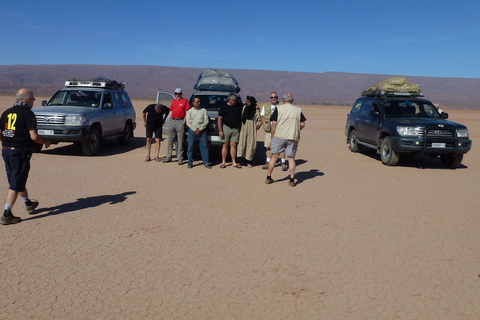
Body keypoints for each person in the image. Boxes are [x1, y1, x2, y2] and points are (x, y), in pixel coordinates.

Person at [0, 88, 51, 225]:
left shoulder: (6, 112)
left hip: (6, 151)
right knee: (16, 183)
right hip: (19, 152)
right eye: (33, 100)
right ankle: (7, 214)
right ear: (29, 100)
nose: (33, 102)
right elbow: (33, 136)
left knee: (17, 178)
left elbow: (0, 133)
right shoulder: (28, 114)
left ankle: (28, 204)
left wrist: (8, 141)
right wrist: (45, 142)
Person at [266, 93, 306, 187]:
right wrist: (296, 130)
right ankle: (292, 179)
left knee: (274, 157)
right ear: (292, 100)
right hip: (292, 137)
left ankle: (268, 177)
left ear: (283, 100)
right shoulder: (298, 110)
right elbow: (303, 124)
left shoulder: (278, 108)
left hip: (279, 136)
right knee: (291, 158)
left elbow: (274, 123)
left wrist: (273, 135)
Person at [261, 92, 287, 171]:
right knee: (268, 146)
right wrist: (265, 126)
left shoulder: (282, 106)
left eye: (275, 97)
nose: (273, 99)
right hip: (269, 129)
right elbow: (263, 116)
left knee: (281, 147)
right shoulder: (266, 106)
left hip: (280, 130)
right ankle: (268, 161)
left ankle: (283, 162)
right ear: (269, 98)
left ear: (277, 97)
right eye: (272, 97)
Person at [163, 88, 190, 165]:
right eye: (176, 94)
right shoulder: (174, 101)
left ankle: (180, 158)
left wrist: (184, 121)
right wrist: (171, 119)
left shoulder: (185, 101)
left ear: (181, 94)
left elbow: (187, 112)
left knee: (180, 140)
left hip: (180, 121)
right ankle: (168, 157)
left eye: (178, 94)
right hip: (173, 121)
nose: (177, 95)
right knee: (170, 140)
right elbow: (171, 110)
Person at [218, 93, 243, 168]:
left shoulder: (239, 106)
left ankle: (234, 162)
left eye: (236, 100)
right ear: (230, 100)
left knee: (233, 145)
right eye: (235, 100)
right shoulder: (224, 107)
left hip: (235, 128)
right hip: (226, 128)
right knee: (225, 145)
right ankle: (223, 162)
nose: (236, 101)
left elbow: (247, 107)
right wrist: (220, 130)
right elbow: (219, 119)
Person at [185, 97, 211, 169]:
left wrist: (200, 129)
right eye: (197, 102)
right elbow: (188, 122)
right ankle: (190, 162)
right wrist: (195, 130)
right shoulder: (189, 111)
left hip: (202, 131)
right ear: (193, 103)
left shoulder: (203, 110)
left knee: (204, 147)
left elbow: (206, 121)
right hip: (192, 131)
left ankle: (206, 162)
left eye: (199, 102)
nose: (199, 103)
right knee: (190, 147)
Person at [237, 96, 261, 168]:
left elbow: (259, 119)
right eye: (246, 101)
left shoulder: (255, 110)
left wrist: (258, 125)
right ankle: (240, 161)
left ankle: (248, 161)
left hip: (252, 128)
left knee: (250, 144)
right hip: (243, 127)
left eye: (248, 102)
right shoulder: (244, 108)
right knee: (242, 143)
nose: (247, 103)